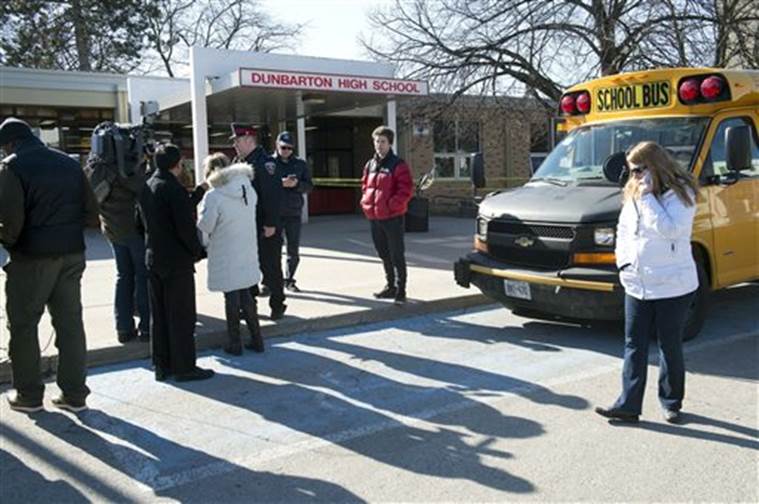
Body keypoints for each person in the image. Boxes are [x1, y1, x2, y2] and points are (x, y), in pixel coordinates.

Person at [595, 141, 699, 424]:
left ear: (655, 165)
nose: (636, 176)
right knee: (633, 344)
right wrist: (623, 263)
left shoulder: (682, 193)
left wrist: (648, 198)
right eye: (632, 171)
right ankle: (628, 404)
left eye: (640, 169)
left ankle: (671, 402)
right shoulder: (634, 192)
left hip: (673, 284)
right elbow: (624, 231)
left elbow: (670, 230)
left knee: (669, 344)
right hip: (637, 282)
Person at [0, 117, 99, 413]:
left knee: (23, 325)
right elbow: (92, 211)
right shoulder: (69, 164)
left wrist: (7, 240)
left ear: (10, 143)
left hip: (31, 258)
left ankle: (29, 396)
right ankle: (74, 394)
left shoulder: (12, 167)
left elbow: (11, 224)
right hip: (71, 253)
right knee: (70, 323)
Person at [136, 144, 213, 382]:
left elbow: (138, 223)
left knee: (158, 316)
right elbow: (185, 228)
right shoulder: (174, 189)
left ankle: (162, 365)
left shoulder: (147, 186)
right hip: (177, 262)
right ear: (176, 165)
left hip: (154, 258)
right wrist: (198, 252)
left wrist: (198, 192)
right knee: (181, 316)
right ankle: (184, 367)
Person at [197, 153, 265, 355]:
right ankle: (257, 339)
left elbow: (205, 225)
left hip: (226, 250)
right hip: (247, 247)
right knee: (246, 293)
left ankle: (235, 343)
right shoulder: (247, 188)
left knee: (231, 296)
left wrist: (200, 209)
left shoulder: (214, 195)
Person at [88, 151, 150, 344]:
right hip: (134, 230)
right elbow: (143, 189)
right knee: (142, 276)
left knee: (123, 276)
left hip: (113, 230)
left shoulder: (97, 168)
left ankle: (123, 328)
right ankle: (146, 327)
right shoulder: (128, 171)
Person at [230, 123, 287, 320]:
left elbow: (271, 196)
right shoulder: (239, 162)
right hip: (245, 226)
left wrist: (271, 223)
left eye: (237, 141)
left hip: (264, 225)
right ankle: (249, 305)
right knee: (248, 267)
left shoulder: (265, 164)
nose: (235, 145)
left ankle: (278, 304)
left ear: (249, 140)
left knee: (270, 267)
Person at [360, 125, 413, 305]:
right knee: (383, 253)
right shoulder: (370, 164)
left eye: (383, 142)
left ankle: (401, 289)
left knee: (397, 254)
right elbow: (365, 186)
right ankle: (390, 286)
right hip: (375, 218)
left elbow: (405, 190)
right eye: (376, 141)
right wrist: (365, 203)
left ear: (390, 143)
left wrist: (392, 206)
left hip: (392, 217)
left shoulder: (398, 165)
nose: (379, 145)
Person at [273, 131, 313, 292]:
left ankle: (289, 280)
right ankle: (271, 281)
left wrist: (296, 185)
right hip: (274, 213)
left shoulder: (300, 164)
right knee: (272, 250)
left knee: (293, 250)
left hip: (293, 213)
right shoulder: (269, 163)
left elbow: (309, 186)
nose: (286, 151)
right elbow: (262, 185)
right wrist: (280, 183)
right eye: (283, 147)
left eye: (290, 148)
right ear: (277, 145)